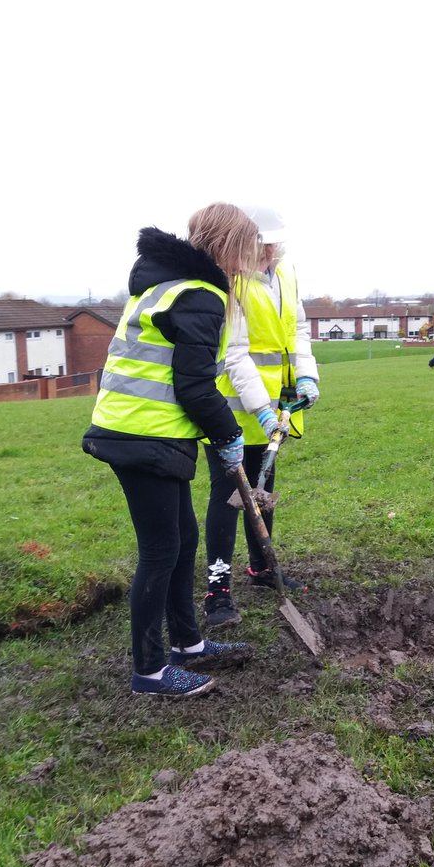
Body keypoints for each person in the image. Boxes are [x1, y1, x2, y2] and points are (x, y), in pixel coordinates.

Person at [82, 205, 257, 698]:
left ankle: (189, 644)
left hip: (145, 432)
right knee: (160, 551)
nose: (252, 259)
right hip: (144, 436)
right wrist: (227, 435)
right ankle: (151, 671)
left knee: (183, 540)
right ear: (229, 245)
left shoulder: (165, 287)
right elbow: (195, 387)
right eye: (248, 246)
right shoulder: (200, 296)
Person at [202, 206, 320, 629]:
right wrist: (261, 410)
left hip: (278, 406)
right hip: (234, 407)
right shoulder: (228, 279)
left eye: (273, 246)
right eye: (259, 247)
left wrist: (306, 377)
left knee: (263, 486)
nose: (268, 254)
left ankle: (262, 567)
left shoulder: (285, 273)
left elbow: (299, 329)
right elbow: (234, 355)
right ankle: (217, 590)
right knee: (227, 495)